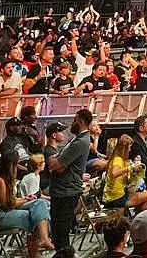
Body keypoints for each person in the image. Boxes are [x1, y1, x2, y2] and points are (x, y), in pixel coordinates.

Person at [45, 108, 96, 252]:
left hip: (66, 192)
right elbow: (58, 166)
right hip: (62, 191)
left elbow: (56, 165)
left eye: (74, 120)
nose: (72, 123)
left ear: (80, 121)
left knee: (61, 234)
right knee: (58, 233)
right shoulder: (77, 139)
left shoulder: (79, 142)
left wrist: (50, 155)